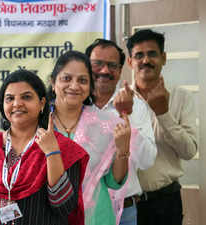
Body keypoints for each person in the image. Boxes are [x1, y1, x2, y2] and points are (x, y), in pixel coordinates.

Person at [0, 69, 89, 225]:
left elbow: (64, 207)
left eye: (26, 97)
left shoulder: (64, 149)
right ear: (2, 105)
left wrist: (52, 153)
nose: (17, 103)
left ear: (41, 103)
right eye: (9, 98)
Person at [47, 50, 132, 225]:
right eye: (66, 78)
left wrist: (123, 150)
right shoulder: (38, 124)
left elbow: (114, 183)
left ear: (90, 87)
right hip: (49, 216)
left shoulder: (107, 124)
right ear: (53, 83)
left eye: (83, 80)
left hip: (97, 217)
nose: (74, 86)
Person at [126, 29, 198, 225]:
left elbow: (189, 152)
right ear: (130, 62)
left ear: (164, 58)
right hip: (127, 206)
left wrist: (163, 114)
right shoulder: (121, 100)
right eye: (139, 55)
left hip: (166, 202)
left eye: (152, 54)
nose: (146, 60)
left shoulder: (181, 97)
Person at [85, 39, 157, 225]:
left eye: (112, 66)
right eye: (97, 64)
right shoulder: (76, 106)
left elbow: (147, 161)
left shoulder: (137, 107)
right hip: (84, 211)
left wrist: (125, 115)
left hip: (125, 212)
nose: (105, 71)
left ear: (120, 70)